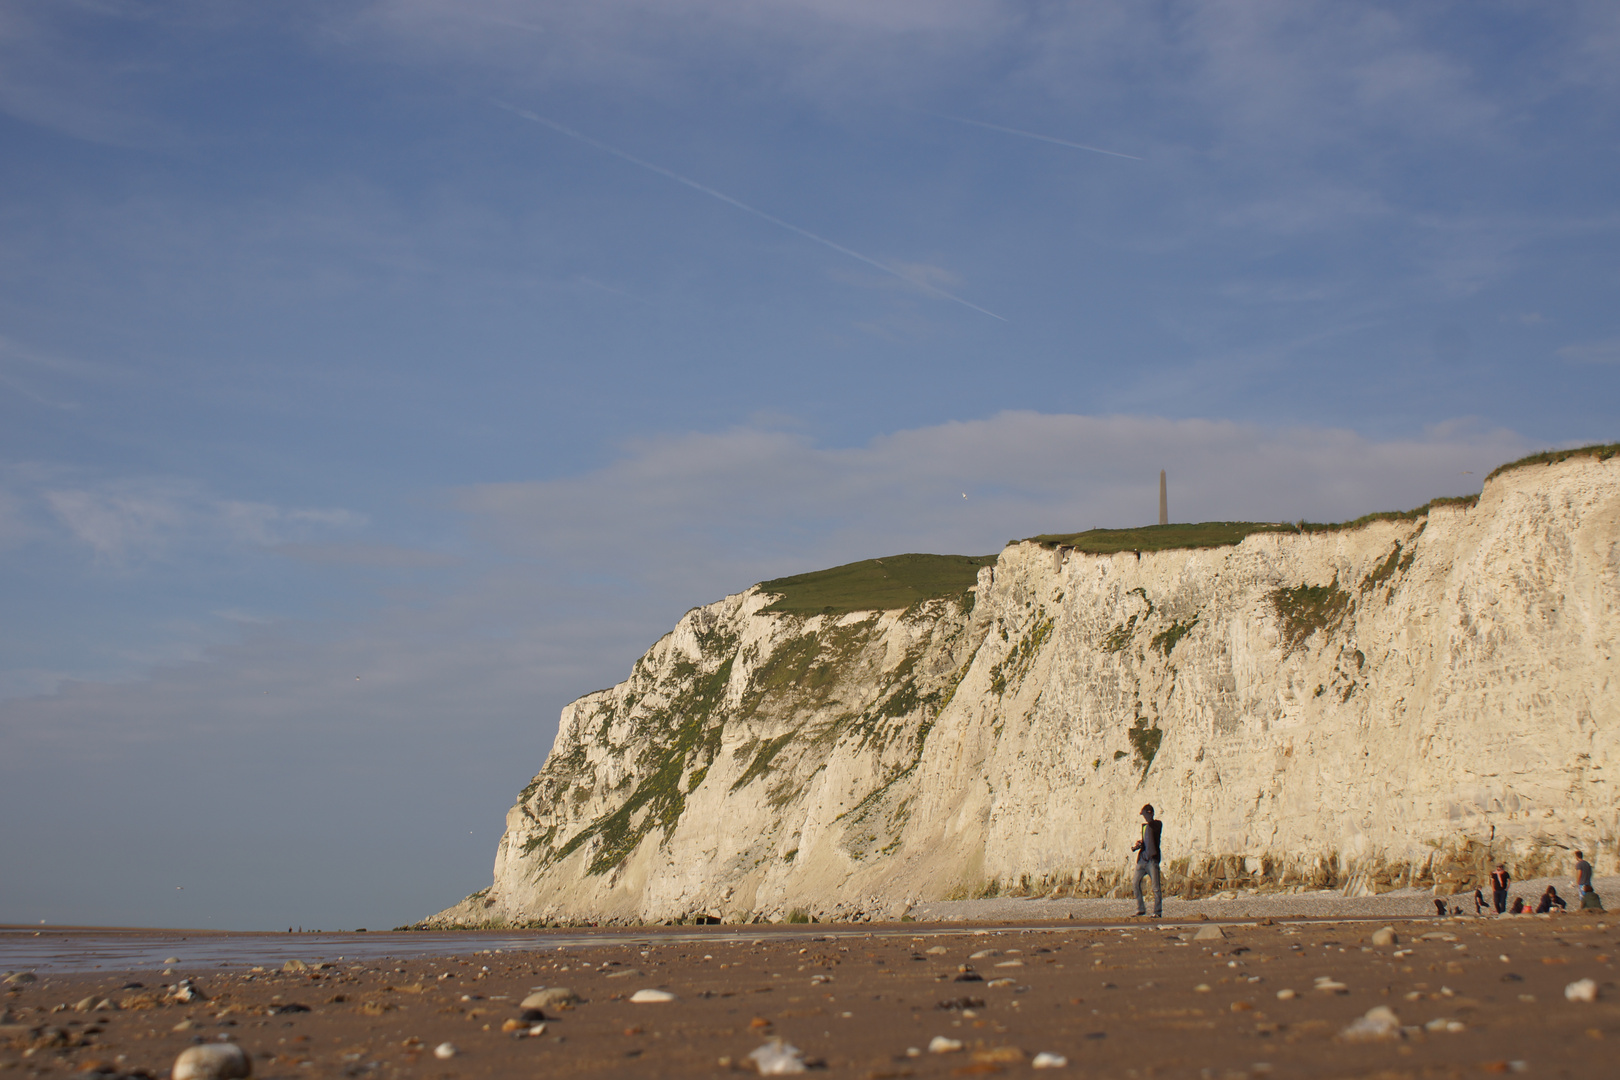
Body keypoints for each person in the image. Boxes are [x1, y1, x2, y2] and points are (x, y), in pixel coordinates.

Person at [1131, 803, 1164, 918]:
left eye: (1145, 814)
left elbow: (1154, 830)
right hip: (1142, 860)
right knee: (1135, 883)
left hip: (1152, 861)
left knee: (1155, 887)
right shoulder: (1145, 826)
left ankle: (1157, 911)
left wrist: (1150, 818)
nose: (1144, 817)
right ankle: (1140, 909)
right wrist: (1139, 844)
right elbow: (1147, 840)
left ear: (1150, 813)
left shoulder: (1156, 824)